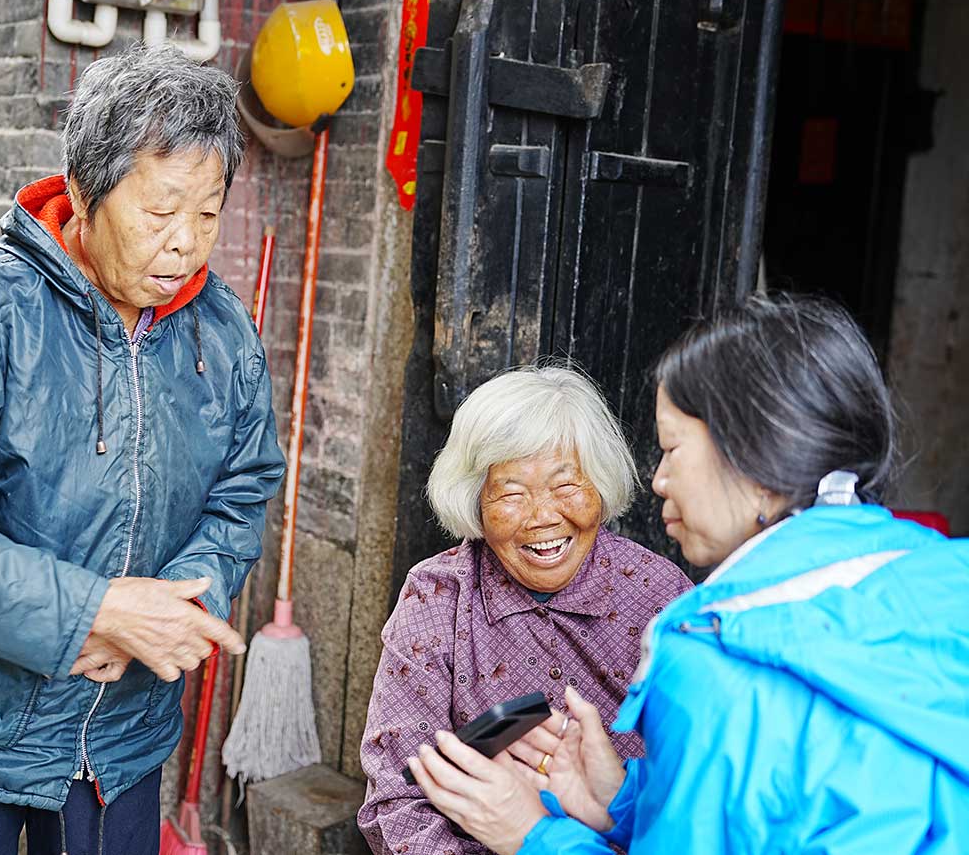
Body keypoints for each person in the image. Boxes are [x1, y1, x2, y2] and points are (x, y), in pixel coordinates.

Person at [0, 44, 286, 855]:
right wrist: (95, 612)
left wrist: (188, 599)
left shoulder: (224, 334)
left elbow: (244, 487)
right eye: (160, 212)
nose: (187, 243)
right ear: (83, 193)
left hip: (120, 745)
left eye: (209, 213)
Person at [405, 294, 969, 854]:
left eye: (673, 448)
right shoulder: (946, 576)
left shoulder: (711, 648)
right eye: (511, 492)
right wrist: (624, 798)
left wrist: (531, 837)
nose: (660, 480)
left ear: (752, 454)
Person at [358, 364, 692, 855]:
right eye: (511, 493)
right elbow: (398, 801)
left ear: (599, 485)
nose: (542, 517)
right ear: (475, 501)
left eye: (566, 486)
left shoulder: (658, 595)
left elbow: (696, 794)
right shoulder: (437, 598)